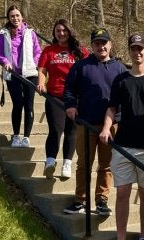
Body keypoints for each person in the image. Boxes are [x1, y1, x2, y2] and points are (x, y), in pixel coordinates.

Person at [99, 33, 144, 240]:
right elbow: (112, 108)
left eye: (141, 48)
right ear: (129, 51)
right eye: (133, 48)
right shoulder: (121, 80)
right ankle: (121, 236)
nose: (137, 52)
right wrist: (106, 128)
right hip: (123, 147)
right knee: (122, 192)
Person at [62, 28, 127, 215]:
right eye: (97, 43)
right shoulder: (81, 66)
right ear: (92, 45)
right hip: (86, 123)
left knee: (106, 165)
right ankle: (80, 199)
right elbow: (69, 89)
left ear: (110, 45)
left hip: (111, 125)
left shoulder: (120, 68)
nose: (101, 46)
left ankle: (101, 200)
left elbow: (126, 95)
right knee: (83, 163)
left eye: (104, 43)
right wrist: (70, 105)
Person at [36, 19, 89, 179]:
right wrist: (41, 83)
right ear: (54, 33)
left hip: (75, 97)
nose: (61, 33)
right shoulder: (49, 50)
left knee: (71, 131)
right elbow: (42, 70)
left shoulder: (80, 51)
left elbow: (88, 71)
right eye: (58, 30)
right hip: (55, 96)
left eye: (64, 30)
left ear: (69, 32)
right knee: (55, 129)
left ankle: (67, 163)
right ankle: (50, 161)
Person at [0, 5, 41, 148]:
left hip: (30, 74)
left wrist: (36, 64)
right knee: (18, 103)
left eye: (17, 15)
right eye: (12, 16)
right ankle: (16, 136)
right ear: (9, 18)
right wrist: (5, 62)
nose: (15, 18)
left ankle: (26, 137)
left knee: (29, 105)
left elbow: (37, 52)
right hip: (12, 74)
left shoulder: (30, 33)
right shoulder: (4, 33)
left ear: (22, 17)